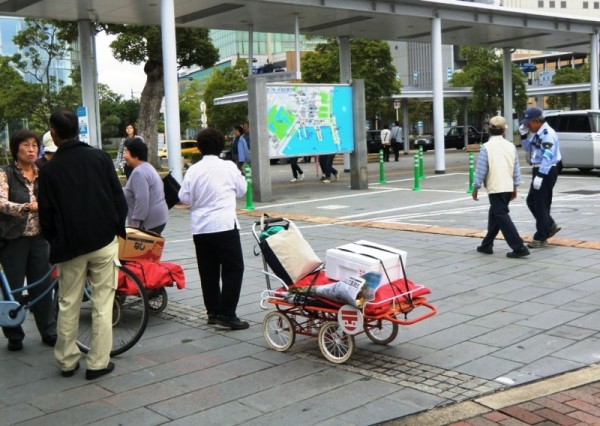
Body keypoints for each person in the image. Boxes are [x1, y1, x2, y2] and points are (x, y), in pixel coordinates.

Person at [38, 108, 127, 380]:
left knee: (68, 303)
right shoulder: (99, 157)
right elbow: (118, 199)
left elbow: (46, 215)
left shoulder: (50, 170)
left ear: (54, 133)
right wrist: (115, 228)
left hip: (70, 246)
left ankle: (66, 361)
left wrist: (55, 240)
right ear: (78, 128)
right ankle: (98, 363)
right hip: (102, 242)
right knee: (102, 303)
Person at [178, 128, 249, 330]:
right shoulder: (228, 167)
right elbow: (242, 190)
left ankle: (213, 312)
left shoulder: (193, 170)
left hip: (201, 228)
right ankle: (227, 313)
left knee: (208, 271)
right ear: (221, 146)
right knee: (233, 269)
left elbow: (184, 197)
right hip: (224, 225)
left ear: (199, 147)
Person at [0, 130, 57, 351]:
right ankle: (14, 333)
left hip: (39, 238)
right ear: (17, 149)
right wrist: (24, 207)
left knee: (42, 286)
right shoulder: (5, 173)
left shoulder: (43, 173)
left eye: (35, 145)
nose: (32, 149)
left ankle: (48, 330)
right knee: (12, 288)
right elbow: (1, 201)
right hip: (13, 239)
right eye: (26, 145)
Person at [472, 116, 530, 258]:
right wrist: (515, 186)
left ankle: (519, 247)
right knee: (496, 214)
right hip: (507, 186)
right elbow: (515, 168)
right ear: (504, 130)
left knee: (501, 215)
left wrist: (475, 187)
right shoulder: (511, 146)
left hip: (495, 186)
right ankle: (487, 244)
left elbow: (481, 169)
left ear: (489, 129)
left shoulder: (486, 147)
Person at [520, 107, 562, 248]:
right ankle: (549, 225)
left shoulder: (547, 133)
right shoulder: (538, 133)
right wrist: (523, 136)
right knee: (532, 201)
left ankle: (541, 237)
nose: (527, 126)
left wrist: (540, 175)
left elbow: (548, 155)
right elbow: (527, 149)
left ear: (537, 121)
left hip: (546, 170)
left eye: (529, 123)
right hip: (540, 170)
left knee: (540, 204)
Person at [122, 138, 169, 235]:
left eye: (126, 151)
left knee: (141, 249)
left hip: (148, 223)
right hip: (158, 219)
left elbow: (142, 200)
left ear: (135, 155)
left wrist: (135, 225)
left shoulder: (138, 173)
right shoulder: (147, 167)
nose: (124, 155)